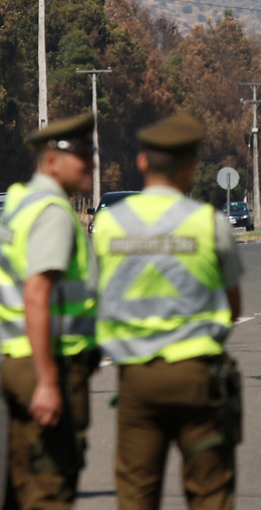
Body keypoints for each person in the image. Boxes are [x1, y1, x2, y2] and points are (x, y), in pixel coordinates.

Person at [92, 114, 243, 510]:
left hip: (137, 376)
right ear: (191, 167)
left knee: (136, 492)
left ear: (142, 162)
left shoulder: (110, 225)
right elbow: (233, 304)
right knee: (210, 491)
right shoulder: (209, 223)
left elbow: (100, 295)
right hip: (197, 373)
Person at [0, 113, 99, 509]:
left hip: (14, 355)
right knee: (49, 491)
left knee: (21, 487)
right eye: (82, 157)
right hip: (46, 361)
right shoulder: (53, 213)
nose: (91, 164)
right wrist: (47, 381)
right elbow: (37, 295)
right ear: (53, 162)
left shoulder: (20, 200)